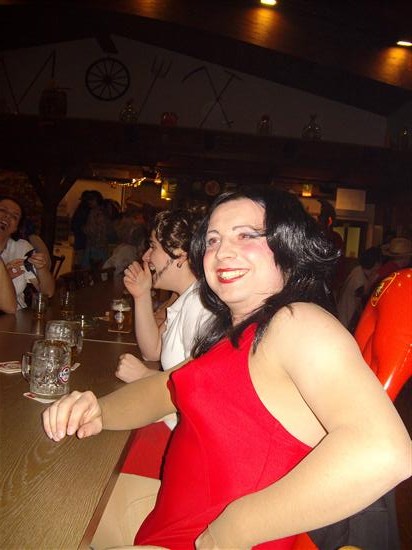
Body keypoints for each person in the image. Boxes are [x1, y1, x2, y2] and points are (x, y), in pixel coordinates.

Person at [42, 187, 411, 550]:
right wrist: (99, 410)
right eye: (213, 240)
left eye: (246, 235)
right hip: (168, 521)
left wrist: (238, 526)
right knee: (49, 502)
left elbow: (385, 452)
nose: (222, 252)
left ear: (288, 245)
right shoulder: (235, 331)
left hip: (203, 540)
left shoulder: (297, 321)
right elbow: (165, 389)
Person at [116, 208, 212, 385]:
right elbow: (153, 351)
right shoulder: (185, 298)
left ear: (181, 255)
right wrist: (141, 295)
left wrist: (144, 375)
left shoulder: (200, 306)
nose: (145, 256)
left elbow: (201, 384)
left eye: (153, 247)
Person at [0, 196, 55, 309]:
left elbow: (48, 293)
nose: (7, 216)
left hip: (17, 315)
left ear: (16, 228)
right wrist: (5, 277)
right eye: (2, 210)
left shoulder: (22, 248)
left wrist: (41, 268)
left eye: (14, 216)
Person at [337, 246, 381, 332]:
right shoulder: (359, 280)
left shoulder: (358, 270)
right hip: (347, 319)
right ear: (376, 264)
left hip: (342, 314)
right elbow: (358, 306)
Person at [71, 190, 93, 269]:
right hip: (83, 241)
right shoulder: (85, 211)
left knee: (79, 261)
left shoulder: (80, 210)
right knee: (81, 262)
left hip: (81, 241)